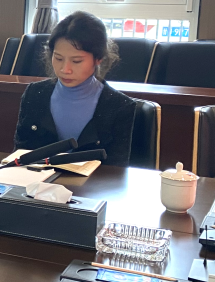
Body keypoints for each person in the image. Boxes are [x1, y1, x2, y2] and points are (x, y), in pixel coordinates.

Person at [14, 11, 136, 166]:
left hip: (93, 182)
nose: (65, 69)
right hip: (37, 180)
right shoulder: (34, 94)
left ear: (98, 58)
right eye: (58, 58)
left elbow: (116, 170)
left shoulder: (119, 106)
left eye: (76, 61)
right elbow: (20, 155)